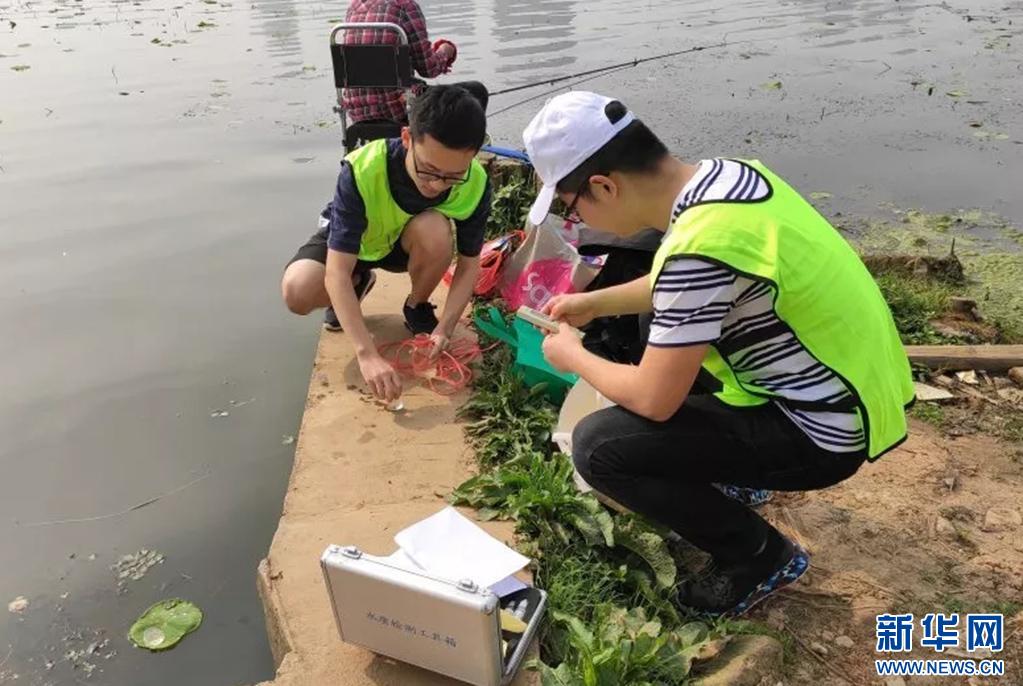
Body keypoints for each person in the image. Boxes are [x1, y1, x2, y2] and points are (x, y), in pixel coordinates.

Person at [523, 91, 914, 616]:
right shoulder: (729, 179)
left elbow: (654, 398)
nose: (575, 221)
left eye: (571, 208)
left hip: (822, 433)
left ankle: (758, 556)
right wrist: (595, 303)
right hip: (852, 390)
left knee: (599, 448)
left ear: (604, 186)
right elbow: (680, 286)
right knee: (653, 324)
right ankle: (734, 475)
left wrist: (573, 356)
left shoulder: (697, 249)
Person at [281, 85, 491, 403]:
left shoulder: (476, 183)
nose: (436, 185)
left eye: (452, 176)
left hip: (405, 244)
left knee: (436, 228)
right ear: (407, 139)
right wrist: (367, 353)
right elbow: (336, 271)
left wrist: (445, 329)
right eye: (428, 169)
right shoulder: (363, 169)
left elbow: (469, 263)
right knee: (297, 292)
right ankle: (360, 281)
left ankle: (417, 306)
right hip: (355, 244)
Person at [341, 0, 489, 125]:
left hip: (358, 114)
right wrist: (446, 50)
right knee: (476, 91)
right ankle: (463, 146)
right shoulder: (405, 7)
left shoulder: (354, 7)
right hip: (399, 111)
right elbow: (429, 68)